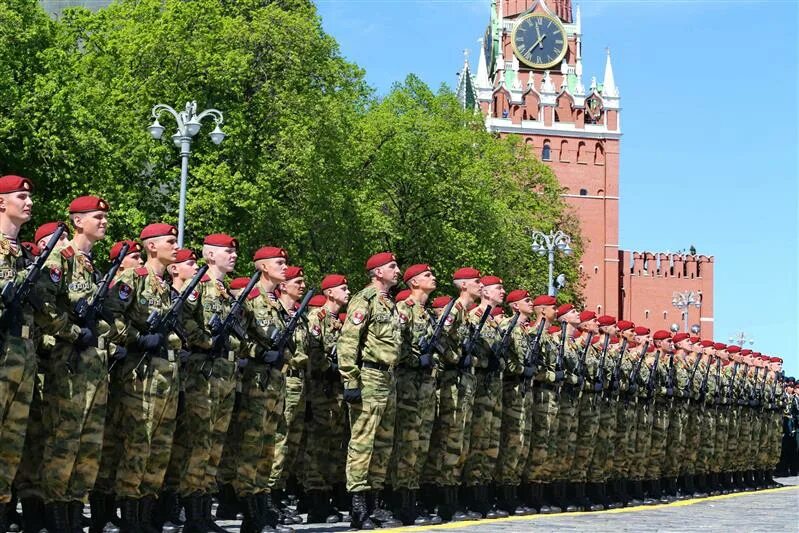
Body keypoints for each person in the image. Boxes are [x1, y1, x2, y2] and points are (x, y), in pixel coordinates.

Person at [37, 196, 113, 532]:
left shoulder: (90, 264)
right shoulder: (61, 257)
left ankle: (74, 510)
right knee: (64, 440)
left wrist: (104, 332)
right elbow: (42, 301)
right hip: (68, 363)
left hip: (94, 365)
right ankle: (57, 513)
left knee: (89, 443)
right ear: (77, 221)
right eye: (97, 216)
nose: (104, 222)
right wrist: (70, 331)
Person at [104, 223, 181, 531]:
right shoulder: (131, 279)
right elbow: (110, 316)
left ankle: (148, 516)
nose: (176, 247)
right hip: (141, 375)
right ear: (151, 247)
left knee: (159, 449)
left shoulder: (166, 286)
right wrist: (135, 338)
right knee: (138, 445)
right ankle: (131, 519)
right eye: (170, 242)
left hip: (166, 377)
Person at [174, 234, 242, 532]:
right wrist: (204, 340)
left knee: (215, 445)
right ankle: (193, 515)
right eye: (227, 251)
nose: (233, 255)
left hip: (225, 372)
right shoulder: (197, 287)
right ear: (210, 255)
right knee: (199, 444)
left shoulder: (224, 291)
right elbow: (181, 317)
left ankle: (204, 511)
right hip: (204, 371)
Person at [336, 252, 403, 530]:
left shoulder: (390, 303)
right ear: (377, 273)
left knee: (383, 445)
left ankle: (375, 504)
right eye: (392, 266)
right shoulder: (364, 300)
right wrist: (350, 380)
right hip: (369, 377)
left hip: (389, 379)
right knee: (363, 443)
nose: (397, 270)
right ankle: (358, 508)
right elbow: (348, 341)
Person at [422, 267, 482, 522]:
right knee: (449, 440)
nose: (481, 285)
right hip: (451, 384)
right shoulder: (454, 310)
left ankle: (452, 497)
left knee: (459, 443)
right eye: (477, 282)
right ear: (464, 286)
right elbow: (438, 340)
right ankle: (442, 501)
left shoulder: (465, 314)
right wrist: (457, 358)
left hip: (463, 383)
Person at [389, 264, 439, 526]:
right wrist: (414, 358)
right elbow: (394, 346)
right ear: (413, 282)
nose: (433, 278)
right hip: (408, 385)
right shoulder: (403, 310)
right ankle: (399, 503)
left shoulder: (427, 314)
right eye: (427, 275)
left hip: (426, 388)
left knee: (419, 446)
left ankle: (412, 499)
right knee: (406, 444)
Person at [0, 176, 36, 533]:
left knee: (12, 442)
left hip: (23, 352)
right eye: (20, 196)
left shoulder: (24, 253)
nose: (28, 202)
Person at [302, 275, 349, 523]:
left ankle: (328, 497)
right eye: (343, 288)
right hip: (320, 392)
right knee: (318, 447)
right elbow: (312, 355)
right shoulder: (316, 319)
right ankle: (316, 503)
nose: (347, 292)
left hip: (335, 393)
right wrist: (333, 367)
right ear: (329, 293)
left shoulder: (337, 322)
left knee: (333, 446)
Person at [462, 275, 507, 519]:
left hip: (493, 390)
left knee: (490, 443)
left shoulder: (495, 322)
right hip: (478, 388)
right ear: (485, 293)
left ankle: (484, 493)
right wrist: (481, 362)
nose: (503, 292)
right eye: (498, 288)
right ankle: (470, 495)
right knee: (475, 441)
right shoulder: (473, 318)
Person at [494, 289, 536, 516]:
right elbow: (502, 359)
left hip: (525, 390)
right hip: (511, 389)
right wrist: (520, 369)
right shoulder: (506, 327)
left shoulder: (526, 331)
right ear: (516, 306)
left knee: (522, 442)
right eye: (527, 301)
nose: (531, 304)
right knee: (510, 440)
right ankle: (503, 494)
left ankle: (514, 491)